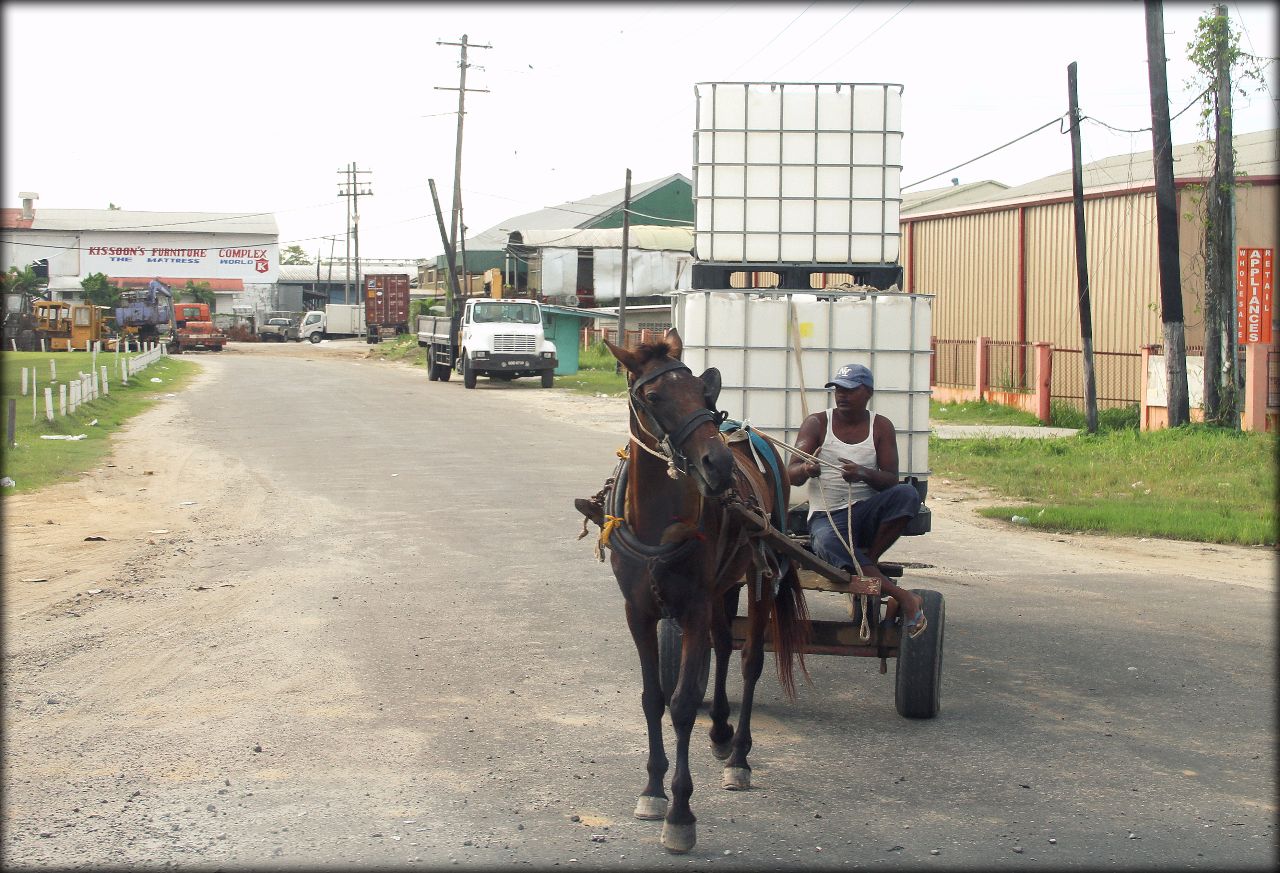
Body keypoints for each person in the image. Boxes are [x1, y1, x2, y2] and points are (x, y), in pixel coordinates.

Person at [786, 363, 927, 638]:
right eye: (838, 389)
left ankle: (868, 564)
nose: (842, 395)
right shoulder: (817, 423)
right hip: (827, 516)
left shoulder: (880, 426)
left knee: (908, 494)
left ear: (868, 393)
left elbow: (890, 479)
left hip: (865, 514)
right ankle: (903, 596)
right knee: (826, 541)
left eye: (850, 390)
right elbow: (789, 474)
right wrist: (806, 469)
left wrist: (863, 474)